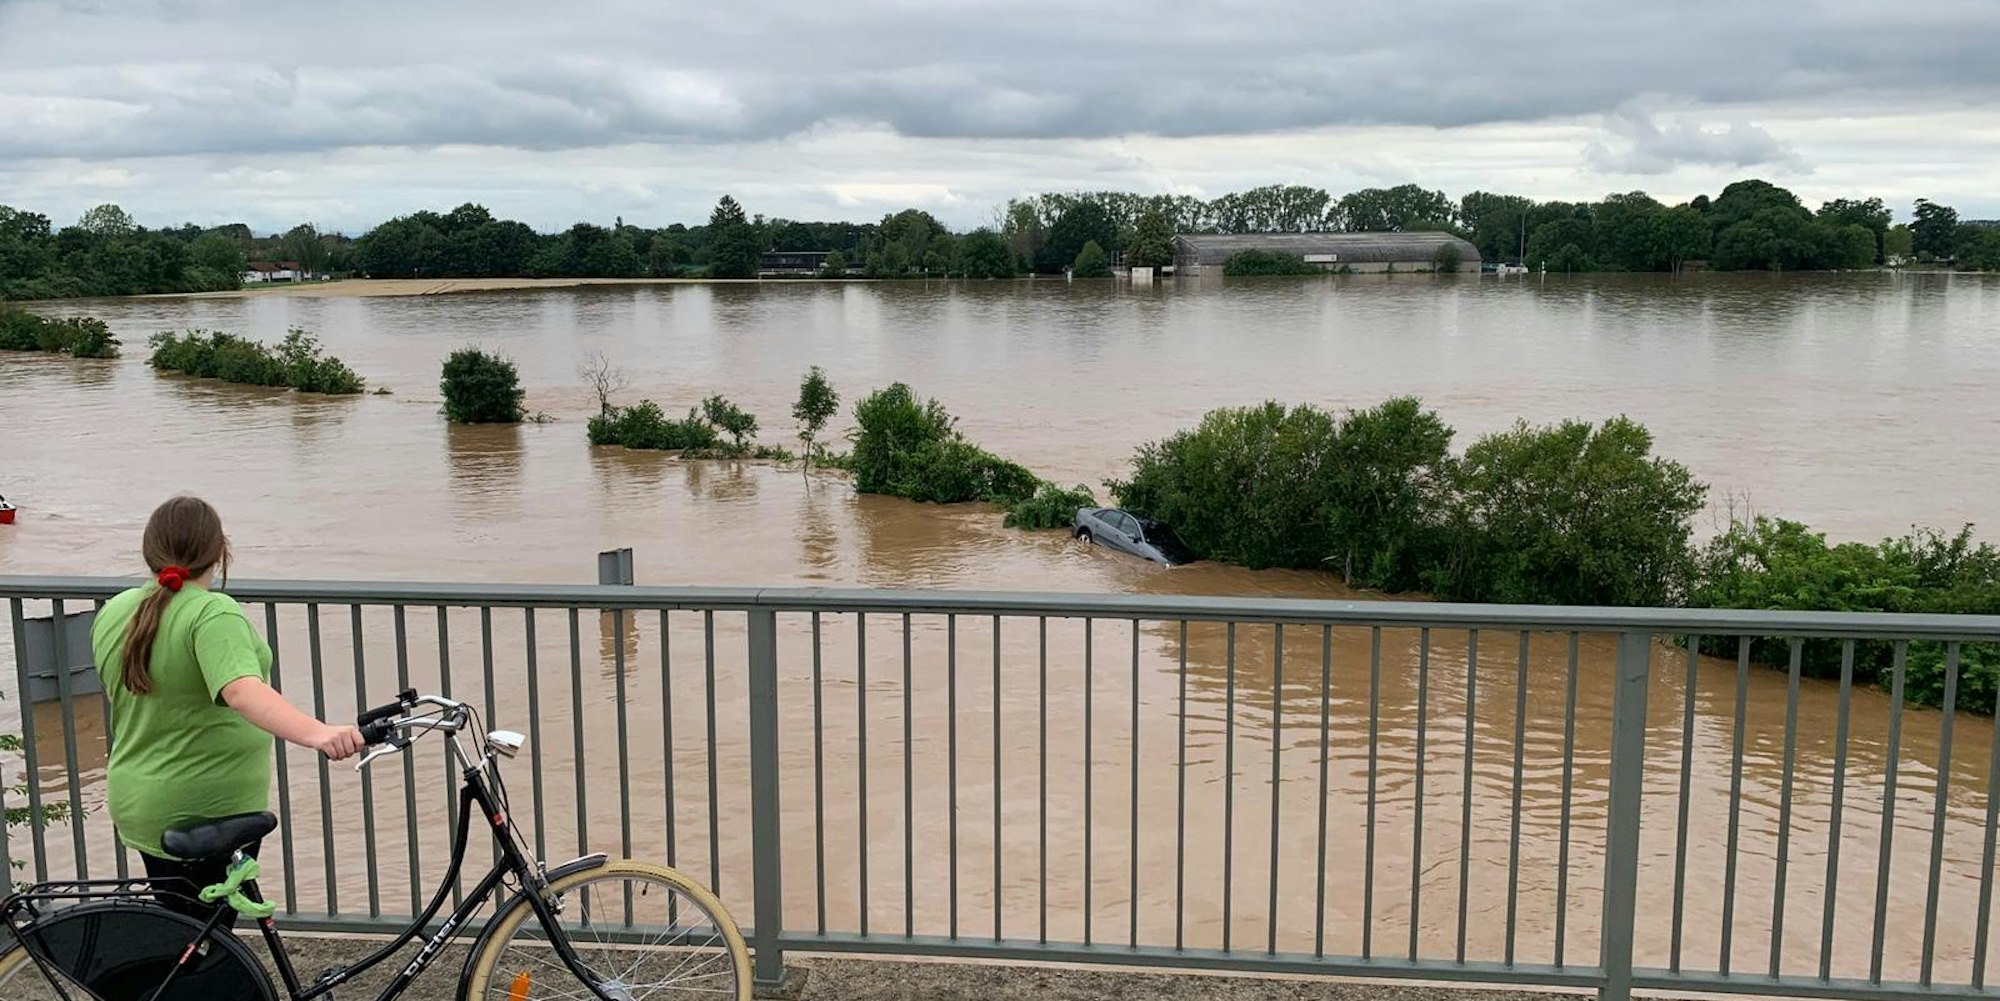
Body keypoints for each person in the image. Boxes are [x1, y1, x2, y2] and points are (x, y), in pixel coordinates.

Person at [90, 495, 365, 924]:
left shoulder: (118, 609)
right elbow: (241, 691)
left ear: (149, 551)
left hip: (141, 798)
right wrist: (320, 734)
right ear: (220, 552)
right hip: (201, 806)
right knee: (203, 954)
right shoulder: (212, 613)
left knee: (184, 939)